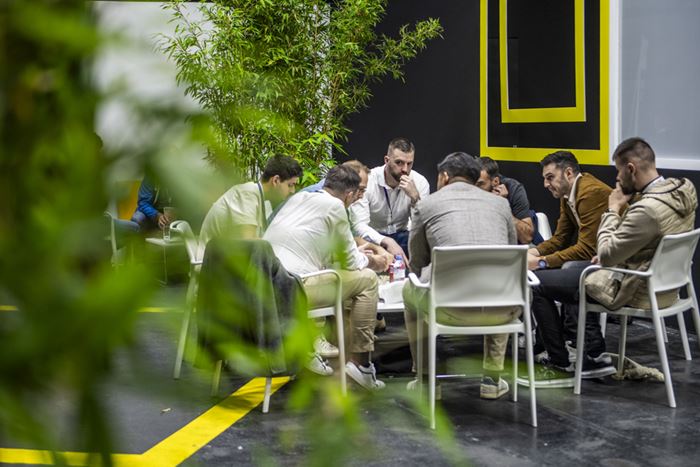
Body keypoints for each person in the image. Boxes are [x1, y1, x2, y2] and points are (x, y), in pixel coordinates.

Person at [403, 152, 518, 400]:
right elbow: (511, 249)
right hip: (501, 311)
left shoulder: (426, 205)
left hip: (447, 309)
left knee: (408, 289)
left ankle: (426, 380)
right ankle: (492, 379)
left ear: (444, 177)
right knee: (500, 283)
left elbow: (418, 263)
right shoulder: (501, 205)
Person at [264, 165, 389, 390]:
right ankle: (361, 366)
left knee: (349, 280)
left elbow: (309, 245)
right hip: (293, 289)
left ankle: (311, 349)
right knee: (368, 280)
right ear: (349, 195)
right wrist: (374, 261)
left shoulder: (299, 199)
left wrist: (355, 254)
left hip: (265, 284)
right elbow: (352, 263)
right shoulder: (336, 206)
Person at [527, 151, 617, 384]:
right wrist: (533, 252)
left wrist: (541, 262)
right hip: (600, 261)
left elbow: (587, 249)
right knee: (564, 269)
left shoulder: (590, 192)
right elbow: (561, 239)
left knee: (537, 283)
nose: (545, 184)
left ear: (568, 173)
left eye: (549, 177)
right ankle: (593, 354)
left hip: (613, 267)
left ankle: (561, 361)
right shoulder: (569, 192)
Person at [586, 137, 697, 310]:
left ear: (630, 169)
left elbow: (606, 257)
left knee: (543, 285)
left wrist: (613, 209)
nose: (617, 177)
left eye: (618, 171)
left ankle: (584, 337)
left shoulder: (647, 210)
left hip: (639, 292)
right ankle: (590, 336)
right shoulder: (683, 190)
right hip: (669, 289)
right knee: (575, 268)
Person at [198, 155, 302, 254]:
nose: (293, 191)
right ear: (275, 180)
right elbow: (249, 243)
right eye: (290, 185)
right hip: (212, 265)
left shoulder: (260, 199)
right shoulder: (247, 194)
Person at [350, 137, 430, 259]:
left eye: (409, 164)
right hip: (373, 237)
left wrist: (415, 198)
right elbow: (358, 225)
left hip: (403, 235)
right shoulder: (369, 180)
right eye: (399, 163)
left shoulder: (420, 182)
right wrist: (385, 240)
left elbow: (422, 227)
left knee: (423, 244)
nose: (405, 169)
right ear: (387, 160)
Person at [477, 157, 535, 244]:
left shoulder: (514, 188)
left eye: (480, 184)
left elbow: (526, 238)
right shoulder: (466, 189)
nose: (474, 189)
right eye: (472, 183)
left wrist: (502, 205)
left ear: (495, 181)